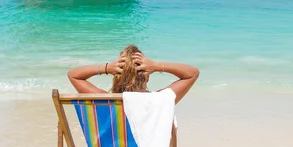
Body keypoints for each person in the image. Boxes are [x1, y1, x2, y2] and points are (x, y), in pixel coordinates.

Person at [67, 44, 199, 104]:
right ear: (147, 76)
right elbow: (192, 73)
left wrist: (106, 68)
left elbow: (73, 74)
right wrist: (158, 66)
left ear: (116, 75)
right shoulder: (159, 100)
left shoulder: (103, 100)